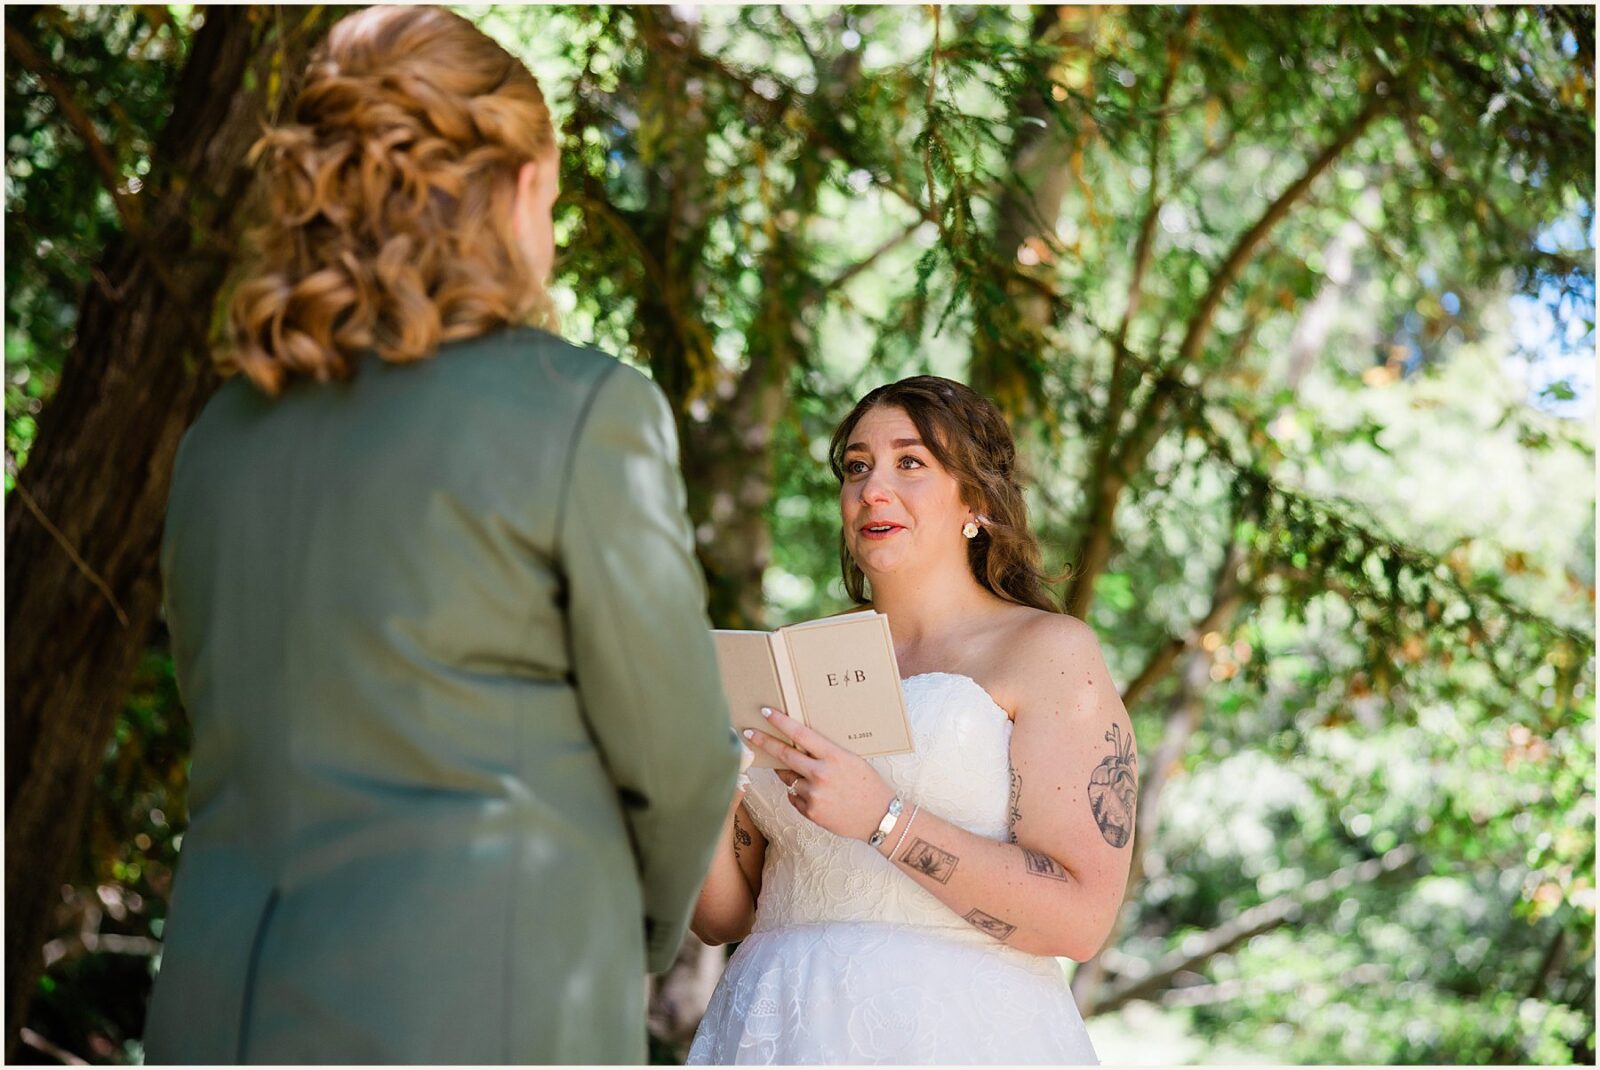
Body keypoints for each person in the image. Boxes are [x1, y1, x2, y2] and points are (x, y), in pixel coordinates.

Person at [142, 7, 740, 1063]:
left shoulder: (221, 434)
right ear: (514, 191)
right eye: (551, 200)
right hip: (477, 1000)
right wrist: (638, 929)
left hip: (217, 1005)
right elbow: (677, 753)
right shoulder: (579, 411)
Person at [687, 376, 1136, 1064]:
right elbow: (723, 917)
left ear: (978, 502)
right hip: (775, 1027)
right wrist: (703, 790)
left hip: (956, 1030)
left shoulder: (1047, 652)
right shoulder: (795, 660)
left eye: (911, 462)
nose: (872, 489)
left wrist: (883, 818)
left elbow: (1081, 922)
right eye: (857, 466)